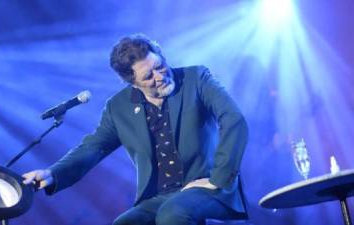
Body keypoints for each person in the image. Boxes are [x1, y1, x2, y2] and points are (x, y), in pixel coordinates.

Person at [23, 33, 249, 225]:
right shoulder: (118, 107)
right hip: (159, 197)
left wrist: (219, 178)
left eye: (160, 66)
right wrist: (52, 173)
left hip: (208, 186)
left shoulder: (196, 78)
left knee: (173, 214)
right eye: (148, 76)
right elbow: (94, 148)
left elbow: (233, 119)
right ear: (132, 82)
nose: (160, 77)